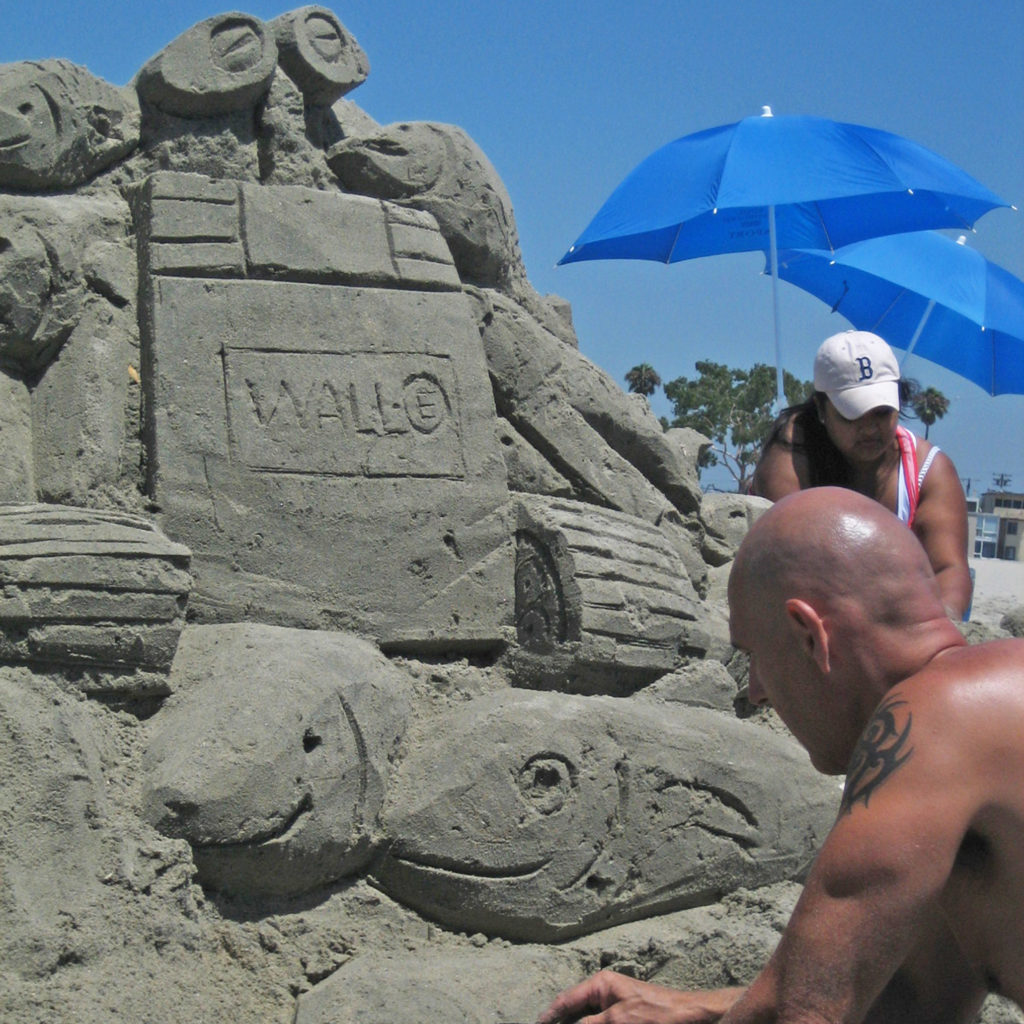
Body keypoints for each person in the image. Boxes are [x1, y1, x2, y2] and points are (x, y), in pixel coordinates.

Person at [538, 487, 1024, 1024]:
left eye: (755, 655)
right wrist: (695, 1006)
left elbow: (810, 1014)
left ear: (809, 634)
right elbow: (910, 1002)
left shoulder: (932, 720)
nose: (755, 691)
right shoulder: (979, 724)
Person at [749, 330, 972, 620]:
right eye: (852, 415)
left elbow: (950, 570)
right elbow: (787, 565)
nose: (869, 429)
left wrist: (938, 630)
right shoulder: (790, 457)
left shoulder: (929, 472)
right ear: (821, 408)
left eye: (881, 412)